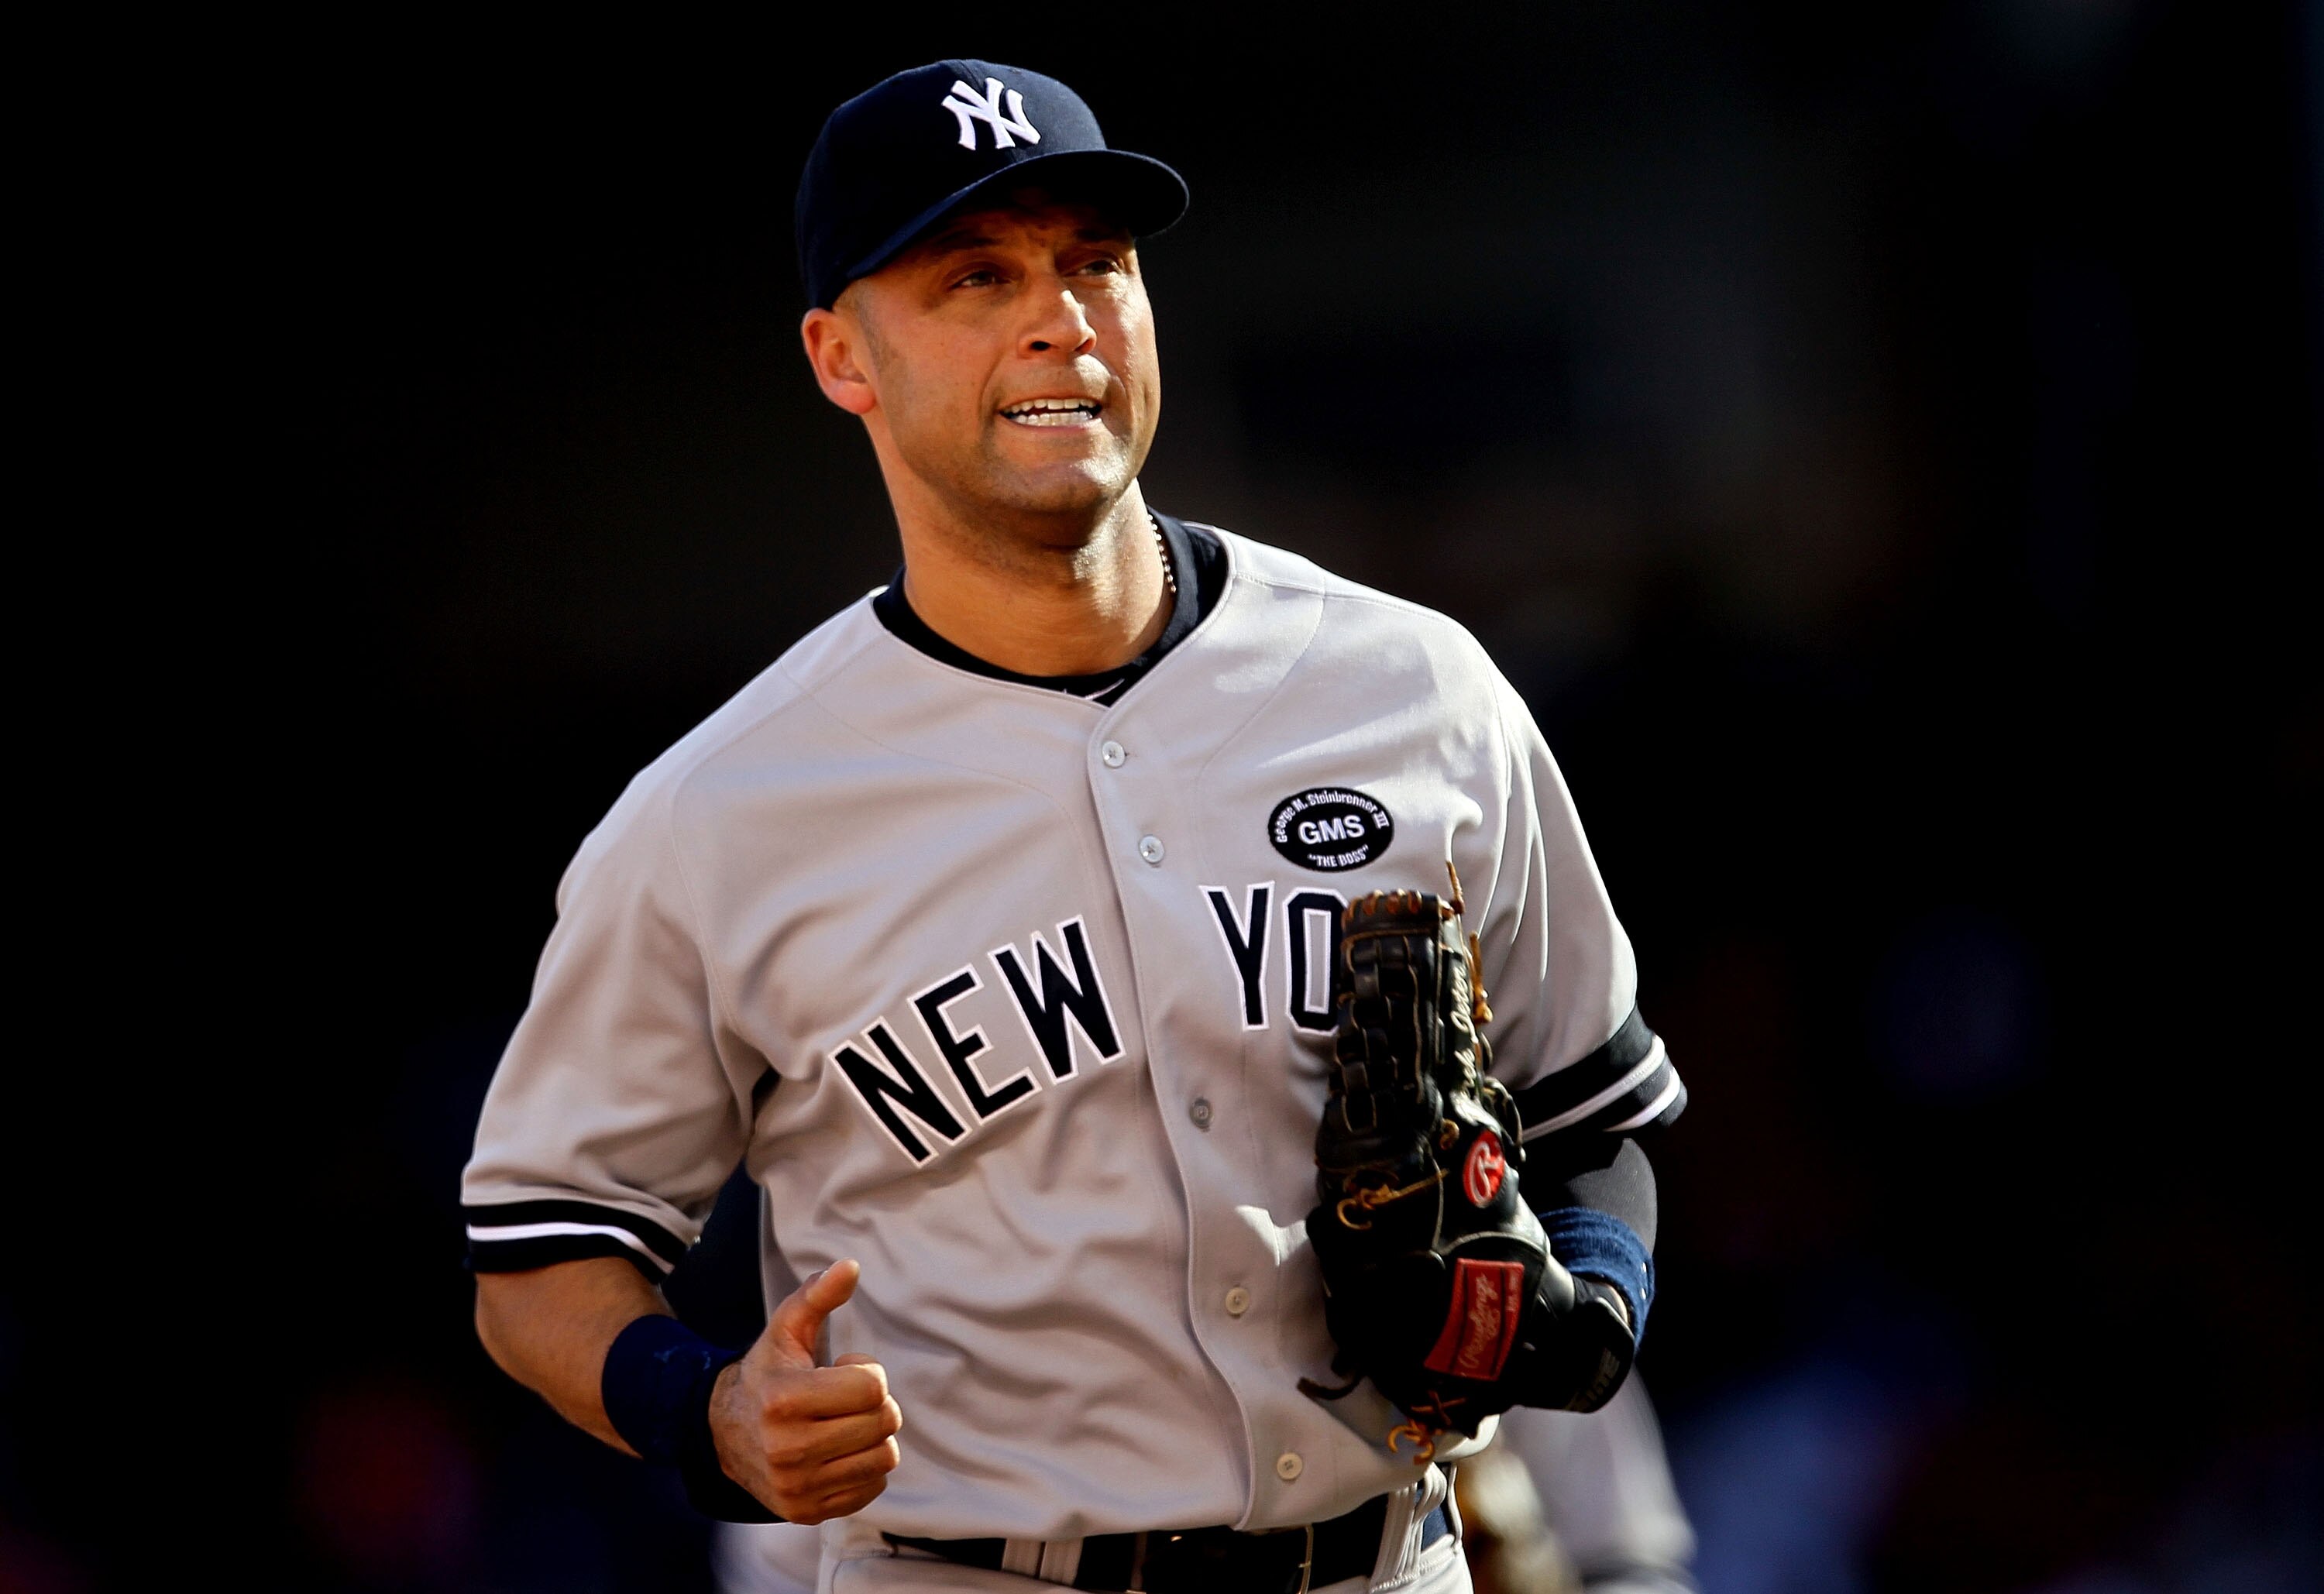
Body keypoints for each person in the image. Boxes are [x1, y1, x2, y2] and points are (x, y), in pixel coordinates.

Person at [463, 57, 1685, 1594]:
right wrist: (704, 1409)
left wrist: (1602, 1301)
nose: (1061, 317)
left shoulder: (1414, 688)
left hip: (1393, 1562)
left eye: (1094, 263)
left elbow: (1592, 1111)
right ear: (843, 358)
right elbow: (536, 1258)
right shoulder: (721, 812)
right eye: (975, 277)